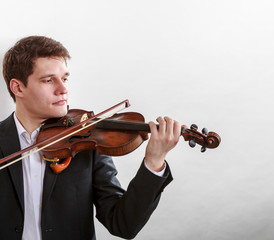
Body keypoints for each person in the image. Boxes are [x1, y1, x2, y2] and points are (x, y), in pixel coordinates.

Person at [0, 36, 181, 240]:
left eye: (65, 78)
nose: (63, 89)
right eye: (48, 80)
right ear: (18, 88)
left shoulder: (86, 141)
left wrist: (154, 162)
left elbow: (123, 225)